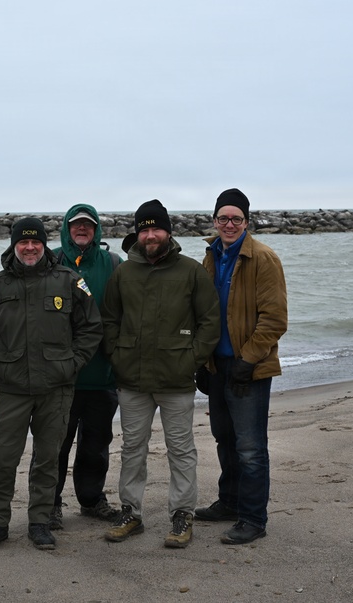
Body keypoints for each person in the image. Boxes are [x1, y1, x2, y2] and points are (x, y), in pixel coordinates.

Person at [0, 217, 103, 552]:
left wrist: (72, 364)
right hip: (12, 389)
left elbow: (91, 328)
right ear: (14, 245)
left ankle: (40, 522)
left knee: (47, 458)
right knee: (2, 457)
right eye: (23, 242)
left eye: (35, 242)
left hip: (56, 389)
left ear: (44, 244)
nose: (29, 248)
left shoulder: (69, 281)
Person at [100, 199, 220, 548]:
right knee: (132, 449)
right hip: (132, 381)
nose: (150, 235)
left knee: (181, 450)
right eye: (144, 229)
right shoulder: (123, 272)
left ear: (168, 231)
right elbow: (109, 320)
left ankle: (182, 515)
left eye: (156, 228)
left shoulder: (191, 271)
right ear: (137, 233)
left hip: (176, 380)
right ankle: (130, 513)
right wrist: (118, 357)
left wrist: (190, 360)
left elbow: (209, 322)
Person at [194, 188, 288, 545]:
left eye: (236, 218)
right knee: (224, 439)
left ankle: (253, 518)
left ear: (247, 222)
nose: (229, 224)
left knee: (250, 447)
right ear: (214, 221)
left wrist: (248, 360)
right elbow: (205, 313)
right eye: (223, 218)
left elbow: (275, 318)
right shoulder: (210, 256)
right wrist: (203, 362)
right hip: (217, 366)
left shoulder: (263, 258)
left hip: (249, 367)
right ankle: (229, 503)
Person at [49, 204, 123, 528]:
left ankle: (91, 500)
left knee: (96, 445)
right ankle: (49, 504)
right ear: (66, 227)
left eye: (88, 226)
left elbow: (127, 312)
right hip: (61, 377)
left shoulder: (113, 263)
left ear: (96, 231)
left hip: (102, 375)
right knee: (55, 445)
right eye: (76, 224)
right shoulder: (50, 260)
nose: (82, 229)